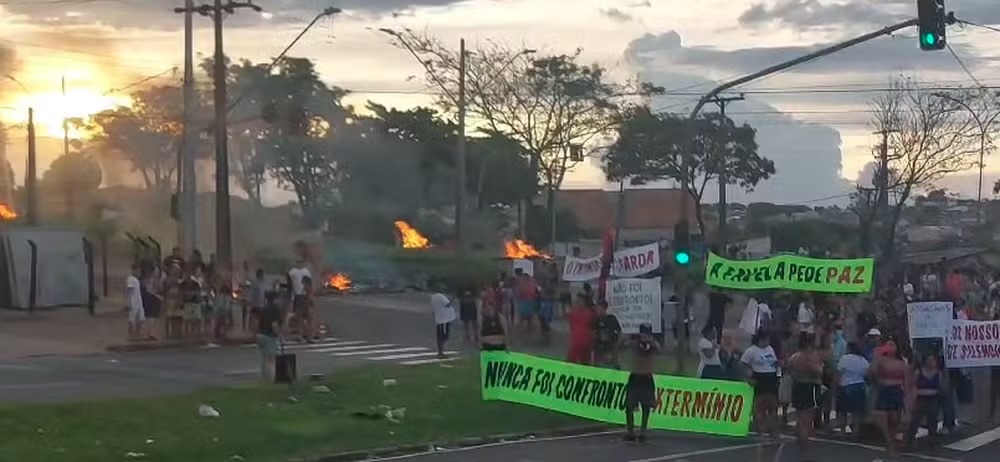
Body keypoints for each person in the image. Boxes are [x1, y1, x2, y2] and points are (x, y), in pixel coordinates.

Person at [870, 338, 907, 460]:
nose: (890, 347)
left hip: (896, 391)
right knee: (883, 419)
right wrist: (877, 356)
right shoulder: (880, 359)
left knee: (894, 420)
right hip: (883, 390)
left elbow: (906, 379)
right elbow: (872, 372)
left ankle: (892, 441)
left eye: (893, 344)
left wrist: (907, 396)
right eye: (888, 344)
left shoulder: (902, 362)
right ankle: (889, 443)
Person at [788, 333, 823, 457]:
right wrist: (819, 367)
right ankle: (805, 447)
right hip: (808, 387)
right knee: (806, 419)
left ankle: (800, 443)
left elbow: (789, 370)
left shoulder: (794, 357)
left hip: (797, 385)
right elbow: (818, 371)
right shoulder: (806, 358)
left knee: (800, 417)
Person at [741, 329, 780, 441]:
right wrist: (748, 377)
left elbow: (774, 361)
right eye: (767, 339)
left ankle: (773, 430)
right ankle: (760, 430)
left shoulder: (770, 349)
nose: (768, 341)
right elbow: (743, 364)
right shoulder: (751, 351)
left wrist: (778, 366)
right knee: (759, 407)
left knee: (772, 406)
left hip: (771, 378)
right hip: (759, 377)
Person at [623, 323, 660, 442]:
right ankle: (630, 431)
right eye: (643, 333)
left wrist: (650, 341)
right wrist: (631, 338)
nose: (644, 336)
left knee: (646, 406)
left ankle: (643, 432)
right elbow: (624, 345)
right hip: (635, 376)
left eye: (646, 334)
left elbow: (658, 349)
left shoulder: (652, 345)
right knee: (629, 405)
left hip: (646, 377)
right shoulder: (634, 343)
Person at [906, 353, 945, 449]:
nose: (932, 362)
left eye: (933, 360)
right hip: (921, 399)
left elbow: (940, 386)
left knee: (932, 421)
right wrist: (913, 399)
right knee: (915, 421)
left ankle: (932, 441)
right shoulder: (919, 372)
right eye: (930, 359)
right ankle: (908, 441)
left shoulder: (938, 373)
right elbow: (913, 385)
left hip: (933, 399)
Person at [835, 341, 870, 436]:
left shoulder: (844, 358)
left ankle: (843, 431)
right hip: (860, 385)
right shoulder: (863, 360)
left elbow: (839, 373)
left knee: (842, 411)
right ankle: (856, 430)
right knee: (857, 411)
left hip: (846, 385)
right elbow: (867, 374)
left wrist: (836, 385)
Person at [256, 291, 282, 381]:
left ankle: (264, 378)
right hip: (269, 336)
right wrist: (279, 335)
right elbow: (274, 324)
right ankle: (270, 379)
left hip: (260, 335)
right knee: (271, 359)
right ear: (275, 299)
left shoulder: (264, 309)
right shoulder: (275, 309)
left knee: (265, 358)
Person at [287, 260, 314, 342]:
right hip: (303, 296)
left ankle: (304, 336)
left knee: (302, 318)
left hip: (300, 296)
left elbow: (290, 284)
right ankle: (307, 336)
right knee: (305, 318)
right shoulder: (305, 271)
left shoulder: (293, 272)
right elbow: (310, 285)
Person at [566, 293, 596, 364]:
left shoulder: (590, 314)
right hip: (576, 343)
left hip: (585, 343)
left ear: (584, 302)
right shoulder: (573, 313)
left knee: (584, 363)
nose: (578, 302)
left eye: (580, 301)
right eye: (577, 301)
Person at [592, 300, 622, 369]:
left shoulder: (611, 318)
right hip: (600, 350)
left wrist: (617, 346)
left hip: (611, 349)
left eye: (599, 308)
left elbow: (619, 332)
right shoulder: (596, 320)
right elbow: (593, 334)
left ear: (604, 308)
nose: (597, 309)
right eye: (596, 308)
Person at [431, 284, 457, 359]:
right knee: (444, 336)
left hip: (439, 319)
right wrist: (453, 299)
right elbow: (447, 304)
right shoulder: (440, 296)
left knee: (440, 336)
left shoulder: (433, 297)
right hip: (444, 319)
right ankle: (440, 351)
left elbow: (432, 309)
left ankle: (440, 350)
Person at [126, 263, 145, 341]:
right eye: (137, 270)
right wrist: (130, 302)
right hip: (133, 301)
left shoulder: (137, 280)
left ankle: (137, 332)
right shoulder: (130, 279)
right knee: (132, 318)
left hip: (139, 301)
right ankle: (131, 334)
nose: (139, 272)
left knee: (141, 318)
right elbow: (130, 290)